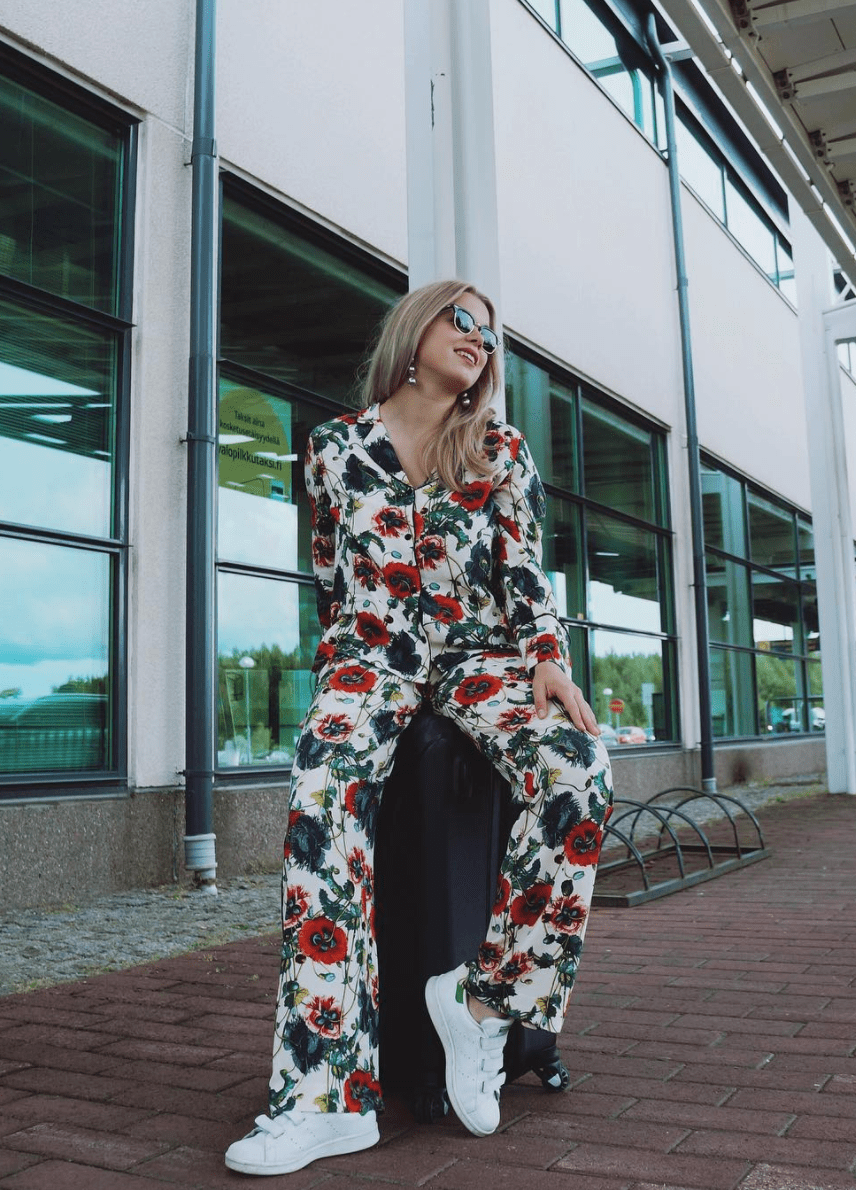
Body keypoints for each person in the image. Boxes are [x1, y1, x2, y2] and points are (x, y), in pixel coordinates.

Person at [225, 280, 613, 1177]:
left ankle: (483, 1005)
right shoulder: (331, 448)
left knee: (578, 770)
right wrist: (340, 694)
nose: (479, 338)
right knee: (320, 797)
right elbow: (331, 581)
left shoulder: (500, 450)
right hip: (371, 659)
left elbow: (526, 573)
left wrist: (546, 656)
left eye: (491, 332)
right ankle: (326, 1098)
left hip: (483, 659)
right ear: (417, 328)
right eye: (461, 319)